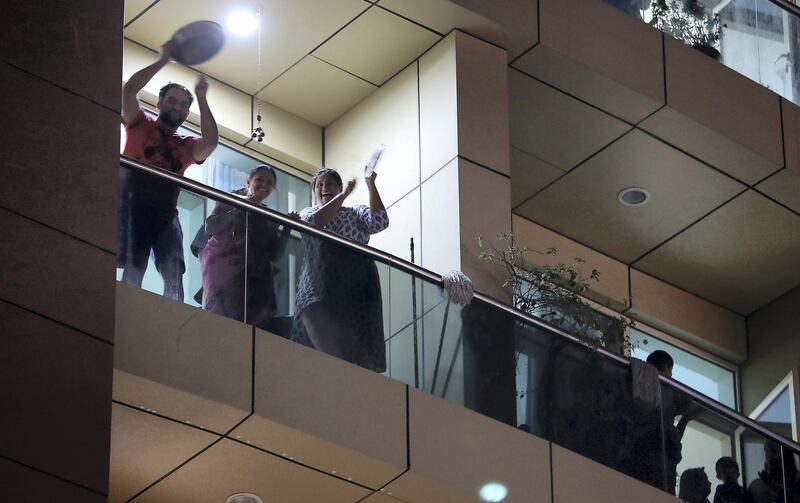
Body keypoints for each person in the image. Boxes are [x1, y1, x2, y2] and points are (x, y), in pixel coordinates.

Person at [119, 40, 219, 301]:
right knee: (134, 264)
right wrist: (162, 61)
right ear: (159, 103)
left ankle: (171, 320)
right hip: (134, 204)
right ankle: (127, 308)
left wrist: (201, 98)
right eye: (172, 101)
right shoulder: (140, 124)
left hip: (165, 213)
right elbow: (128, 91)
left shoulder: (185, 146)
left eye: (183, 104)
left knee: (173, 269)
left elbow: (209, 143)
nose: (177, 107)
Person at [292, 168, 389, 371]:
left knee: (355, 337)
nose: (325, 188)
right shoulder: (308, 212)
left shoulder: (356, 212)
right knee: (321, 327)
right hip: (321, 282)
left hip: (356, 282)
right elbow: (317, 222)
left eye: (330, 184)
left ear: (338, 186)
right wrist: (343, 195)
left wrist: (371, 184)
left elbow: (380, 222)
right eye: (320, 185)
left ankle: (352, 376)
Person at [200, 165, 295, 330]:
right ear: (248, 181)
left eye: (269, 182)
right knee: (224, 317)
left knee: (249, 322)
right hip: (227, 270)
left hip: (255, 277)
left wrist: (287, 228)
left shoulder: (268, 216)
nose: (264, 185)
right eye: (259, 179)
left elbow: (275, 254)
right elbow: (211, 226)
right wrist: (240, 207)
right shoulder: (230, 199)